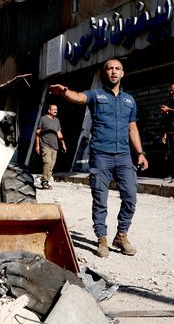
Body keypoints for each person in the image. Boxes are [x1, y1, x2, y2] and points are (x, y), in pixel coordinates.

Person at [49, 58, 149, 258]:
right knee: (100, 199)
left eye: (117, 69)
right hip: (101, 155)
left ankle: (121, 235)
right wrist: (64, 92)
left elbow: (132, 128)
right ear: (105, 73)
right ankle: (102, 239)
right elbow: (79, 97)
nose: (113, 71)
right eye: (110, 68)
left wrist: (140, 153)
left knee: (130, 197)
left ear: (123, 73)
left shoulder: (130, 100)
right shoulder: (96, 95)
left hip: (123, 156)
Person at [35, 104, 67, 190]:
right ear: (49, 110)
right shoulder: (43, 119)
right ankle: (44, 181)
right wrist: (37, 145)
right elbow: (38, 132)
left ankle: (46, 181)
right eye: (53, 109)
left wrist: (63, 144)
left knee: (51, 165)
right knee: (47, 162)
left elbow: (59, 133)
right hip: (45, 144)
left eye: (56, 109)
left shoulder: (57, 120)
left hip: (54, 146)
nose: (55, 111)